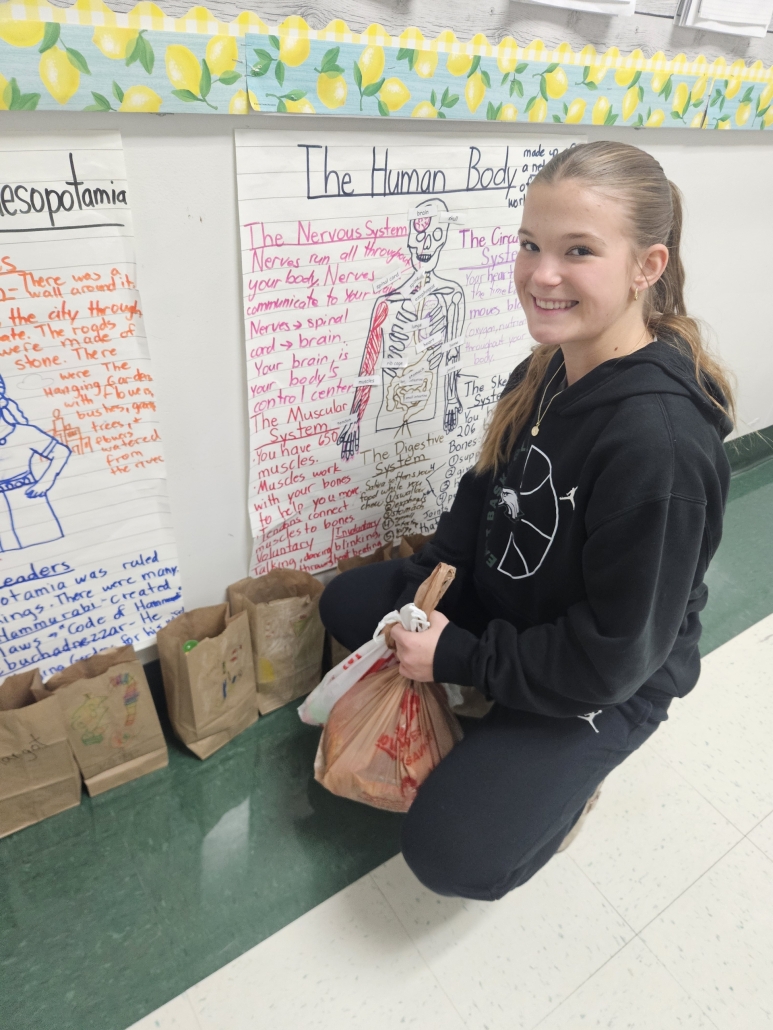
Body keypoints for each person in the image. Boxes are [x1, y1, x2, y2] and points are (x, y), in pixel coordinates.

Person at [319, 141, 734, 901]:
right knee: (348, 604)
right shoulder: (544, 366)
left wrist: (461, 662)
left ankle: (569, 779)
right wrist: (432, 594)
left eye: (577, 251)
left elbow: (610, 659)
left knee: (451, 855)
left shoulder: (659, 451)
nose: (541, 275)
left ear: (646, 266)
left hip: (608, 678)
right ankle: (501, 702)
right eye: (529, 245)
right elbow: (484, 495)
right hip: (519, 605)